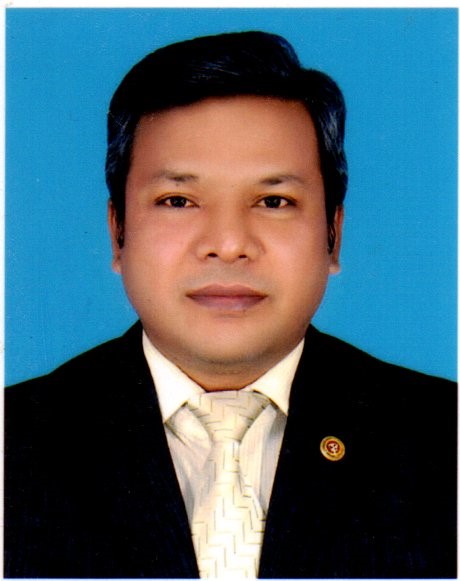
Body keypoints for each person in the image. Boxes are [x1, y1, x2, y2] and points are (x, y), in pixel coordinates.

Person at [4, 30, 456, 579]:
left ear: (333, 234)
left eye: (273, 200)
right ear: (117, 231)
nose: (228, 243)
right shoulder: (15, 443)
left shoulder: (443, 438)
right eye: (178, 200)